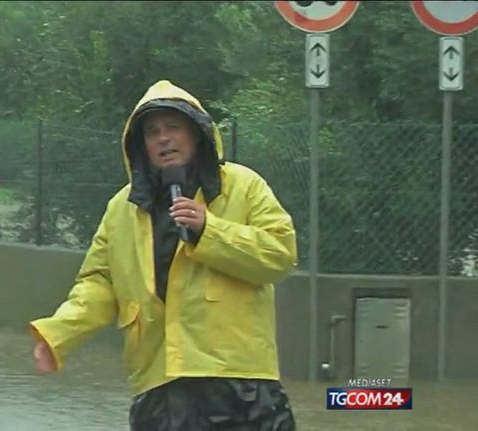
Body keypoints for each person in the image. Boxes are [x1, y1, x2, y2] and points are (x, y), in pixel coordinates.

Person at [29, 79, 298, 430]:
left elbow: (280, 254)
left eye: (173, 127)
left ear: (197, 133)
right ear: (140, 145)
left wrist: (209, 229)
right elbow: (99, 284)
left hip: (241, 384)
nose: (163, 139)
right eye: (152, 132)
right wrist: (58, 335)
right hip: (160, 388)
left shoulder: (243, 186)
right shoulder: (121, 209)